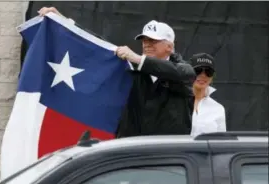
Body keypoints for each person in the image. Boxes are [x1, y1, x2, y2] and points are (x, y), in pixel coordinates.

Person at [38, 7, 196, 137]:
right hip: (131, 151)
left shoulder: (182, 71)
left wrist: (138, 60)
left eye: (153, 41)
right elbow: (99, 46)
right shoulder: (133, 68)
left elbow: (183, 73)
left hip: (168, 156)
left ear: (169, 46)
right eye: (144, 41)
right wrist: (65, 23)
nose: (147, 45)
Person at [188, 53, 227, 137]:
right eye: (197, 70)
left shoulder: (218, 108)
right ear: (188, 72)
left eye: (208, 72)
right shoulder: (177, 102)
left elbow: (221, 142)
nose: (203, 75)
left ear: (212, 77)